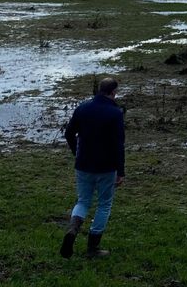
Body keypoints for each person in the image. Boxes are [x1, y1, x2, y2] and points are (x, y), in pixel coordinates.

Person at [60, 76, 126, 258]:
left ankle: (73, 230)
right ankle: (93, 248)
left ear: (99, 90)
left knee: (82, 201)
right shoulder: (115, 113)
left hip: (83, 165)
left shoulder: (82, 108)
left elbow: (68, 133)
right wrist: (120, 171)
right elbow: (118, 144)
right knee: (104, 205)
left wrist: (77, 152)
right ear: (114, 92)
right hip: (106, 167)